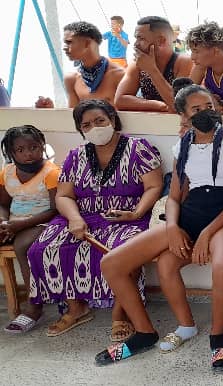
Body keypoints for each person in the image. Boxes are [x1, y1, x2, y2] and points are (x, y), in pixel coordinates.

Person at [96, 83, 223, 372]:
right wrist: (171, 226)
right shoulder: (181, 146)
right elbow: (174, 198)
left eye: (209, 106)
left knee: (222, 265)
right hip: (189, 217)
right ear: (184, 116)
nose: (207, 113)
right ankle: (146, 332)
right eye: (197, 109)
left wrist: (207, 233)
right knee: (113, 263)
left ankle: (218, 338)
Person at [25, 100, 163, 338]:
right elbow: (64, 195)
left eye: (100, 121)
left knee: (122, 251)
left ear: (112, 119)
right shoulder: (75, 156)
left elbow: (154, 186)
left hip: (127, 216)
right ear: (81, 129)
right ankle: (76, 308)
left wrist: (137, 213)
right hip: (82, 215)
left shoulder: (138, 147)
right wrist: (75, 219)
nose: (95, 128)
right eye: (86, 125)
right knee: (43, 248)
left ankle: (122, 313)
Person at [1, 126, 59, 334]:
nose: (28, 153)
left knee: (22, 245)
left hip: (42, 221)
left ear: (42, 146)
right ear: (11, 153)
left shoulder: (51, 172)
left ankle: (34, 305)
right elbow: (3, 203)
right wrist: (3, 222)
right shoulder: (7, 172)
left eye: (34, 147)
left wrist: (19, 226)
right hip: (14, 221)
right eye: (21, 150)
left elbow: (55, 209)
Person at [35, 21, 127, 108]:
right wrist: (50, 109)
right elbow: (73, 117)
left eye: (69, 42)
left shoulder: (119, 75)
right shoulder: (71, 79)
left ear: (87, 43)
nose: (64, 48)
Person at [114, 16, 194, 112]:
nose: (135, 44)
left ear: (161, 41)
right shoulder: (137, 64)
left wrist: (151, 70)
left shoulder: (184, 62)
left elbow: (180, 106)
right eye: (136, 38)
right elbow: (120, 100)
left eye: (141, 39)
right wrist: (159, 105)